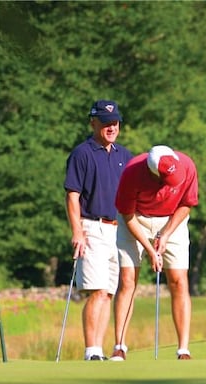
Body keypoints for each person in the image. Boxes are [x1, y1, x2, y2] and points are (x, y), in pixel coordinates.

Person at [111, 145, 198, 361]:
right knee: (128, 280)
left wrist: (166, 234)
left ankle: (183, 349)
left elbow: (187, 203)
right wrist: (150, 250)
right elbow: (127, 215)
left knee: (179, 280)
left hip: (172, 220)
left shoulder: (186, 165)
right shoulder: (132, 172)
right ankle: (119, 346)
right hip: (136, 219)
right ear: (154, 173)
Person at [64, 100, 133, 361]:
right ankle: (91, 349)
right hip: (92, 227)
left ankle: (100, 350)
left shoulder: (124, 156)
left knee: (109, 291)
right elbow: (72, 197)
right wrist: (77, 232)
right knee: (97, 290)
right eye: (105, 123)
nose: (111, 127)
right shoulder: (82, 153)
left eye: (115, 122)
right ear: (93, 122)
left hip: (120, 230)